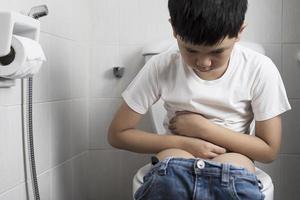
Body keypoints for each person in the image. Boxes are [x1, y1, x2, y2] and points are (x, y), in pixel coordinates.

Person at [108, 0, 291, 199]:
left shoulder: (259, 68)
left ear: (239, 32)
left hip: (233, 159)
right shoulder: (161, 65)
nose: (203, 62)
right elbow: (118, 133)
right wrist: (185, 143)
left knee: (233, 170)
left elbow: (268, 150)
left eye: (217, 51)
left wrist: (202, 129)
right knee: (172, 172)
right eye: (191, 50)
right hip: (177, 154)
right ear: (174, 29)